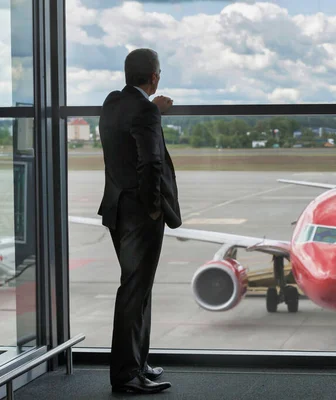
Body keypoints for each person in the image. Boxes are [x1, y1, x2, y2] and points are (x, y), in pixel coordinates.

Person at [97, 48, 182, 394]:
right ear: (154, 78)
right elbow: (150, 163)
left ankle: (137, 362)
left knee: (138, 287)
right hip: (139, 213)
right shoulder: (145, 110)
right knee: (134, 291)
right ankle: (126, 375)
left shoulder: (111, 101)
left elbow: (126, 137)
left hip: (116, 208)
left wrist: (151, 109)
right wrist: (152, 208)